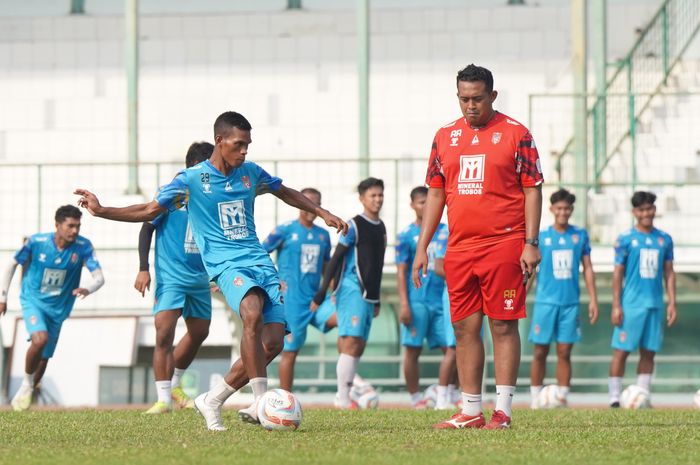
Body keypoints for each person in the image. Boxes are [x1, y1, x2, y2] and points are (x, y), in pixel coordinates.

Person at [75, 111, 347, 430]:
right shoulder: (191, 180)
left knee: (273, 343)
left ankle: (213, 399)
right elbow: (149, 211)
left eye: (248, 145)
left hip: (258, 261)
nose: (244, 151)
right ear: (220, 141)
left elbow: (284, 191)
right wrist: (102, 210)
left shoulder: (250, 174)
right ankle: (260, 399)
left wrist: (321, 211)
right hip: (226, 264)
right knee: (251, 312)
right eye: (239, 144)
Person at [412, 64, 543, 430]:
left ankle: (502, 412)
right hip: (460, 248)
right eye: (464, 98)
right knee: (464, 329)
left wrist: (530, 243)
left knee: (502, 326)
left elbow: (533, 188)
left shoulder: (516, 133)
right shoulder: (444, 136)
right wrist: (423, 247)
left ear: (492, 96)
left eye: (478, 98)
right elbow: (436, 192)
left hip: (504, 243)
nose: (470, 105)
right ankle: (470, 410)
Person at [135, 142, 214, 414]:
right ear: (193, 167)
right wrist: (143, 268)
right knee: (164, 333)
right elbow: (146, 229)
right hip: (172, 276)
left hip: (200, 277)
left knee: (199, 332)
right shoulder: (171, 193)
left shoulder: (211, 195)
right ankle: (162, 400)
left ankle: (176, 383)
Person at [0, 205, 104, 411]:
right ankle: (26, 384)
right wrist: (3, 297)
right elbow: (12, 264)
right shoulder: (36, 242)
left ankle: (28, 390)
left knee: (44, 358)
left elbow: (99, 278)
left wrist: (88, 288)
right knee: (40, 339)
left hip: (59, 309)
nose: (75, 231)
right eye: (70, 226)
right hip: (33, 301)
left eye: (78, 226)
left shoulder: (83, 247)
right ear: (57, 225)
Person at [312, 177, 386, 409]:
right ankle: (342, 398)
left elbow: (378, 265)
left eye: (380, 195)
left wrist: (377, 299)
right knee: (350, 341)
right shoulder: (353, 225)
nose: (377, 199)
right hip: (351, 289)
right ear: (362, 199)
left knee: (359, 345)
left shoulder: (381, 226)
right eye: (373, 195)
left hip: (369, 295)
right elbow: (335, 259)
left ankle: (348, 393)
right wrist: (322, 292)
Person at [528, 188, 598, 408]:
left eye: (567, 208)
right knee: (540, 351)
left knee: (564, 352)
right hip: (545, 303)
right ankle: (535, 399)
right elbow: (531, 270)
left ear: (571, 210)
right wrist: (522, 295)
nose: (563, 212)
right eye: (559, 208)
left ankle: (562, 397)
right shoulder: (541, 237)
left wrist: (593, 299)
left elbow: (587, 268)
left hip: (570, 304)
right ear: (551, 209)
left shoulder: (580, 236)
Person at [261, 187, 335, 392]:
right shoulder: (285, 230)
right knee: (290, 351)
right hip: (292, 300)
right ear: (299, 203)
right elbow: (260, 252)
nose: (312, 207)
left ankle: (351, 382)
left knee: (345, 320)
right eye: (307, 202)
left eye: (316, 203)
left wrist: (334, 289)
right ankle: (286, 398)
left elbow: (327, 266)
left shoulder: (323, 235)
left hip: (316, 300)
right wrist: (273, 278)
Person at [608, 191, 675, 407]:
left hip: (654, 304)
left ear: (654, 210)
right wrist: (616, 305)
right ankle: (614, 398)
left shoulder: (664, 239)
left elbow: (669, 272)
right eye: (641, 209)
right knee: (622, 351)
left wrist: (672, 302)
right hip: (631, 305)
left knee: (649, 352)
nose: (646, 213)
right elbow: (618, 273)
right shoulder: (625, 239)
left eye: (649, 208)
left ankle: (642, 395)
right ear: (634, 212)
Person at [395, 186, 449, 408]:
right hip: (417, 300)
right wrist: (405, 304)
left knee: (452, 349)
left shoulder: (446, 230)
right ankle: (416, 398)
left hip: (443, 299)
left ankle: (449, 392)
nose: (426, 206)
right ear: (412, 205)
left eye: (429, 201)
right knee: (413, 350)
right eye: (421, 202)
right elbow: (401, 271)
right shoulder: (406, 235)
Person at [433, 229, 462, 410]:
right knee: (452, 348)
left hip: (473, 293)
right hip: (454, 294)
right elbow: (438, 267)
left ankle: (456, 394)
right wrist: (466, 277)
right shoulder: (446, 233)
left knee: (468, 347)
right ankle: (441, 398)